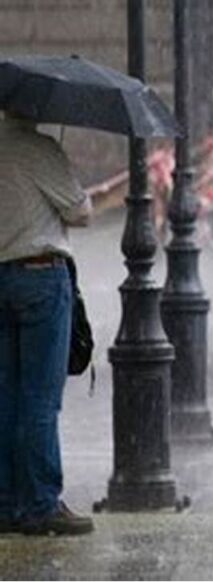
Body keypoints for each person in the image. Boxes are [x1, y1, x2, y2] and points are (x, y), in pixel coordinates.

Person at [0, 111, 94, 535]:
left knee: (5, 394)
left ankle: (5, 503)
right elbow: (81, 212)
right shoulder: (40, 150)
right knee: (40, 397)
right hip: (39, 276)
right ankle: (40, 504)